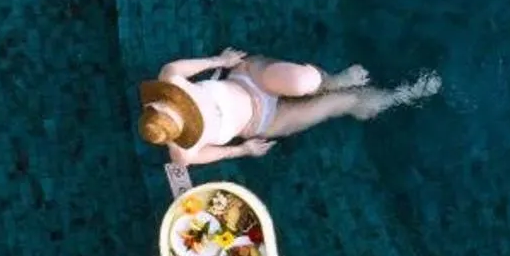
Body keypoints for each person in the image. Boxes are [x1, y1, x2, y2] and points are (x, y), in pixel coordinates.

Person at [137, 47, 440, 167]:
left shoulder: (170, 78)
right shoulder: (183, 152)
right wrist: (243, 150)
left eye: (179, 103)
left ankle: (331, 80)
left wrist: (221, 60)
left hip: (249, 79)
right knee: (344, 103)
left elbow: (184, 67)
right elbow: (195, 159)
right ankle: (401, 95)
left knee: (304, 81)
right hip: (264, 121)